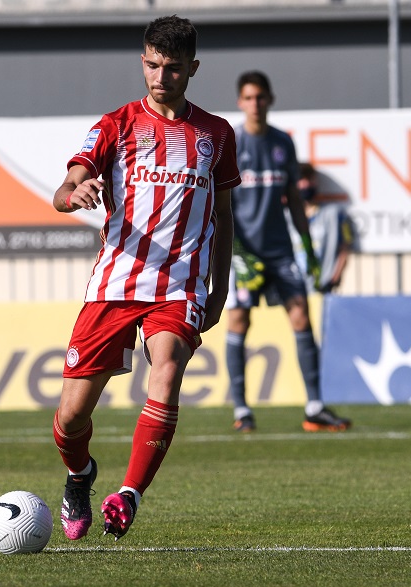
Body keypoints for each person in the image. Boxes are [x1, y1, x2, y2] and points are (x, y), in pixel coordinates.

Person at [51, 15, 240, 542]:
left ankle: (128, 494)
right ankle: (80, 474)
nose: (161, 77)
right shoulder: (116, 125)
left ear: (192, 69)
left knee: (168, 366)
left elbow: (224, 217)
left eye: (173, 68)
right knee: (70, 418)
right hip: (115, 283)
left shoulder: (216, 134)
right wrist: (74, 193)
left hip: (179, 286)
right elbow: (64, 190)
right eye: (153, 65)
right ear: (143, 61)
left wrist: (220, 288)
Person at [225, 70, 351, 433]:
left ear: (270, 100)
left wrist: (307, 247)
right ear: (240, 102)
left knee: (301, 317)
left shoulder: (283, 142)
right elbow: (221, 202)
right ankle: (242, 410)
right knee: (239, 321)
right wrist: (236, 252)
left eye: (260, 97)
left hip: (280, 252)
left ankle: (315, 407)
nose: (255, 104)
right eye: (249, 98)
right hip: (244, 253)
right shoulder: (232, 142)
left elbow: (294, 198)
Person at [298, 162, 355, 294]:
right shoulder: (284, 216)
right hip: (293, 291)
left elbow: (345, 246)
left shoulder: (335, 214)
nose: (306, 184)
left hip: (322, 289)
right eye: (301, 179)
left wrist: (333, 279)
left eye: (309, 179)